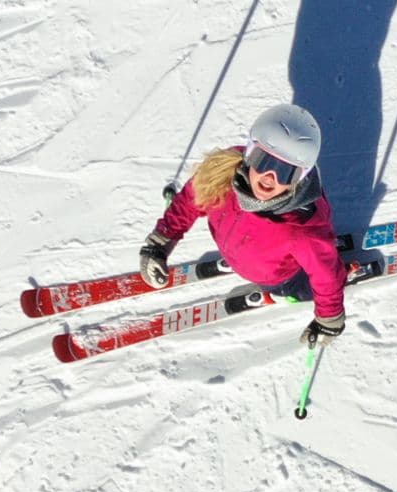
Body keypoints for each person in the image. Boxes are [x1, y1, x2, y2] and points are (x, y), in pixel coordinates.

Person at [140, 103, 346, 347]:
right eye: (264, 160)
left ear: (300, 177)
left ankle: (304, 284)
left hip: (278, 277)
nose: (270, 178)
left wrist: (329, 319)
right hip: (235, 247)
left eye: (286, 172)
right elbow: (189, 201)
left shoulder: (302, 229)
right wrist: (160, 243)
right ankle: (241, 260)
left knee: (302, 288)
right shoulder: (224, 173)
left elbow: (324, 276)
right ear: (249, 152)